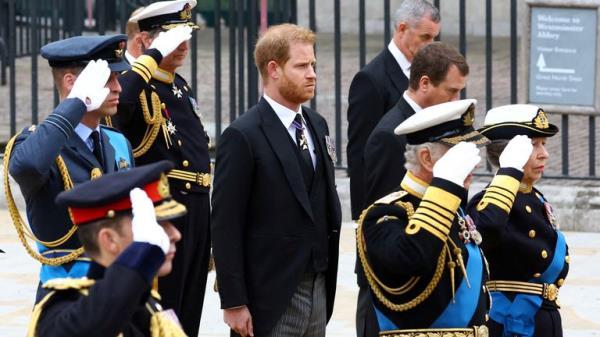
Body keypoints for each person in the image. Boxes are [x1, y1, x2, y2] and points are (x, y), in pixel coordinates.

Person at [211, 23, 342, 337]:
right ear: (274, 69)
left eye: (313, 65)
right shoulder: (243, 135)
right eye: (301, 66)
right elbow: (225, 223)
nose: (312, 74)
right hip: (270, 293)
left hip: (319, 283)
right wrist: (234, 301)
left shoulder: (316, 124)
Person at [6, 35, 134, 303]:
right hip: (67, 297)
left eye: (117, 78)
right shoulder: (37, 145)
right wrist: (74, 104)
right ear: (72, 83)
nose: (118, 87)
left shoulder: (117, 142)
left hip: (117, 291)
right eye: (108, 79)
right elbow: (27, 166)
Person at [115, 1, 211, 335]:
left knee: (188, 312)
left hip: (197, 210)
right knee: (164, 312)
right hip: (165, 211)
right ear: (144, 42)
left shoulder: (177, 84)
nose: (184, 46)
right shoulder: (134, 85)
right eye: (173, 39)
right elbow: (118, 111)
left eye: (186, 37)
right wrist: (150, 58)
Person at [357, 99, 490, 336]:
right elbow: (413, 257)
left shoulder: (452, 209)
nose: (473, 162)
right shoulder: (384, 214)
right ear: (427, 158)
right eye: (459, 153)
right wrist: (446, 184)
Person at [346, 2, 440, 335]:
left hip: (416, 216)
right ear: (402, 29)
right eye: (425, 37)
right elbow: (359, 161)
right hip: (383, 216)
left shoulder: (424, 75)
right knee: (374, 306)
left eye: (435, 39)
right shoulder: (371, 79)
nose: (430, 46)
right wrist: (368, 228)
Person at [28, 160, 187, 337]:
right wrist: (142, 255)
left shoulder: (144, 304)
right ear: (109, 239)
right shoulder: (62, 309)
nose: (175, 234)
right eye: (156, 225)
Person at [467, 104, 570, 337]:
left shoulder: (536, 198)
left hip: (542, 318)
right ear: (510, 152)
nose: (544, 153)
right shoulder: (489, 202)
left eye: (543, 144)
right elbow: (487, 229)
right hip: (511, 322)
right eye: (534, 145)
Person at [365, 41, 469, 206]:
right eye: (451, 91)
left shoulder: (441, 121)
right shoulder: (390, 136)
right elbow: (385, 214)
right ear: (425, 83)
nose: (456, 100)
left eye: (459, 92)